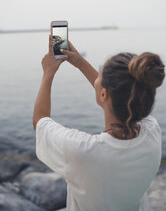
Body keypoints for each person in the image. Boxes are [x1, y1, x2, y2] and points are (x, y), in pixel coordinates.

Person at [33, 36, 165, 211]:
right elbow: (121, 97)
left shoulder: (82, 151)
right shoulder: (153, 133)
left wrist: (48, 72)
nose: (96, 77)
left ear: (103, 94)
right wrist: (79, 62)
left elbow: (40, 121)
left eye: (99, 73)